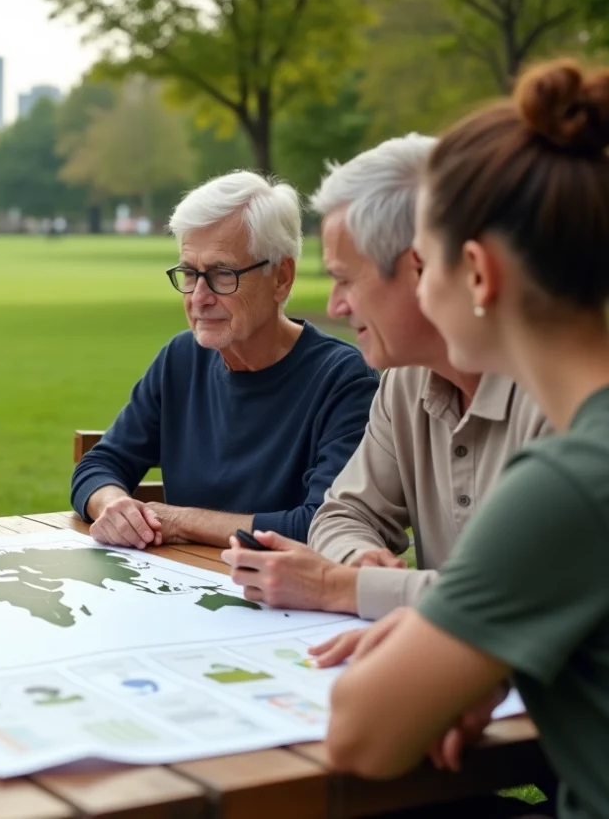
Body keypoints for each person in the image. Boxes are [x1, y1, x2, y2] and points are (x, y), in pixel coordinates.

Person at [326, 60, 609, 819]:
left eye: (429, 260)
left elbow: (361, 733)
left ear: (476, 274)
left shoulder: (575, 478)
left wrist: (447, 634)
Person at [223, 135, 548, 620]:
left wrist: (345, 587)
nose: (335, 306)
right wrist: (359, 561)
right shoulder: (406, 381)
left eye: (345, 278)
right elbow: (342, 514)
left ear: (421, 266)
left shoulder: (561, 396)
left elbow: (528, 599)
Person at [72, 171, 379, 548]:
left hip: (288, 600)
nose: (199, 296)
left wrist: (180, 521)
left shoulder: (344, 380)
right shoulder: (180, 360)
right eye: (189, 273)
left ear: (281, 277)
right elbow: (97, 466)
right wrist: (116, 506)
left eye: (221, 274)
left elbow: (321, 526)